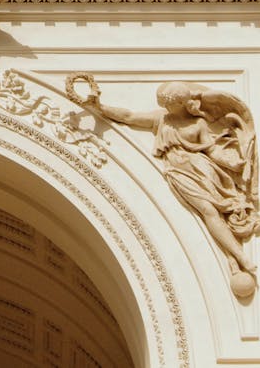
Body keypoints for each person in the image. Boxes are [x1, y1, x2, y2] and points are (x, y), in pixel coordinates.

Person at [90, 79, 259, 290]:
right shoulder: (162, 119)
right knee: (207, 210)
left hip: (203, 169)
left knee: (214, 210)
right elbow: (129, 117)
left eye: (168, 102)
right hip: (180, 172)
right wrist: (100, 107)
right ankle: (240, 257)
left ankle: (233, 257)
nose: (164, 106)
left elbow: (212, 150)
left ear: (180, 102)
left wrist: (232, 163)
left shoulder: (199, 124)